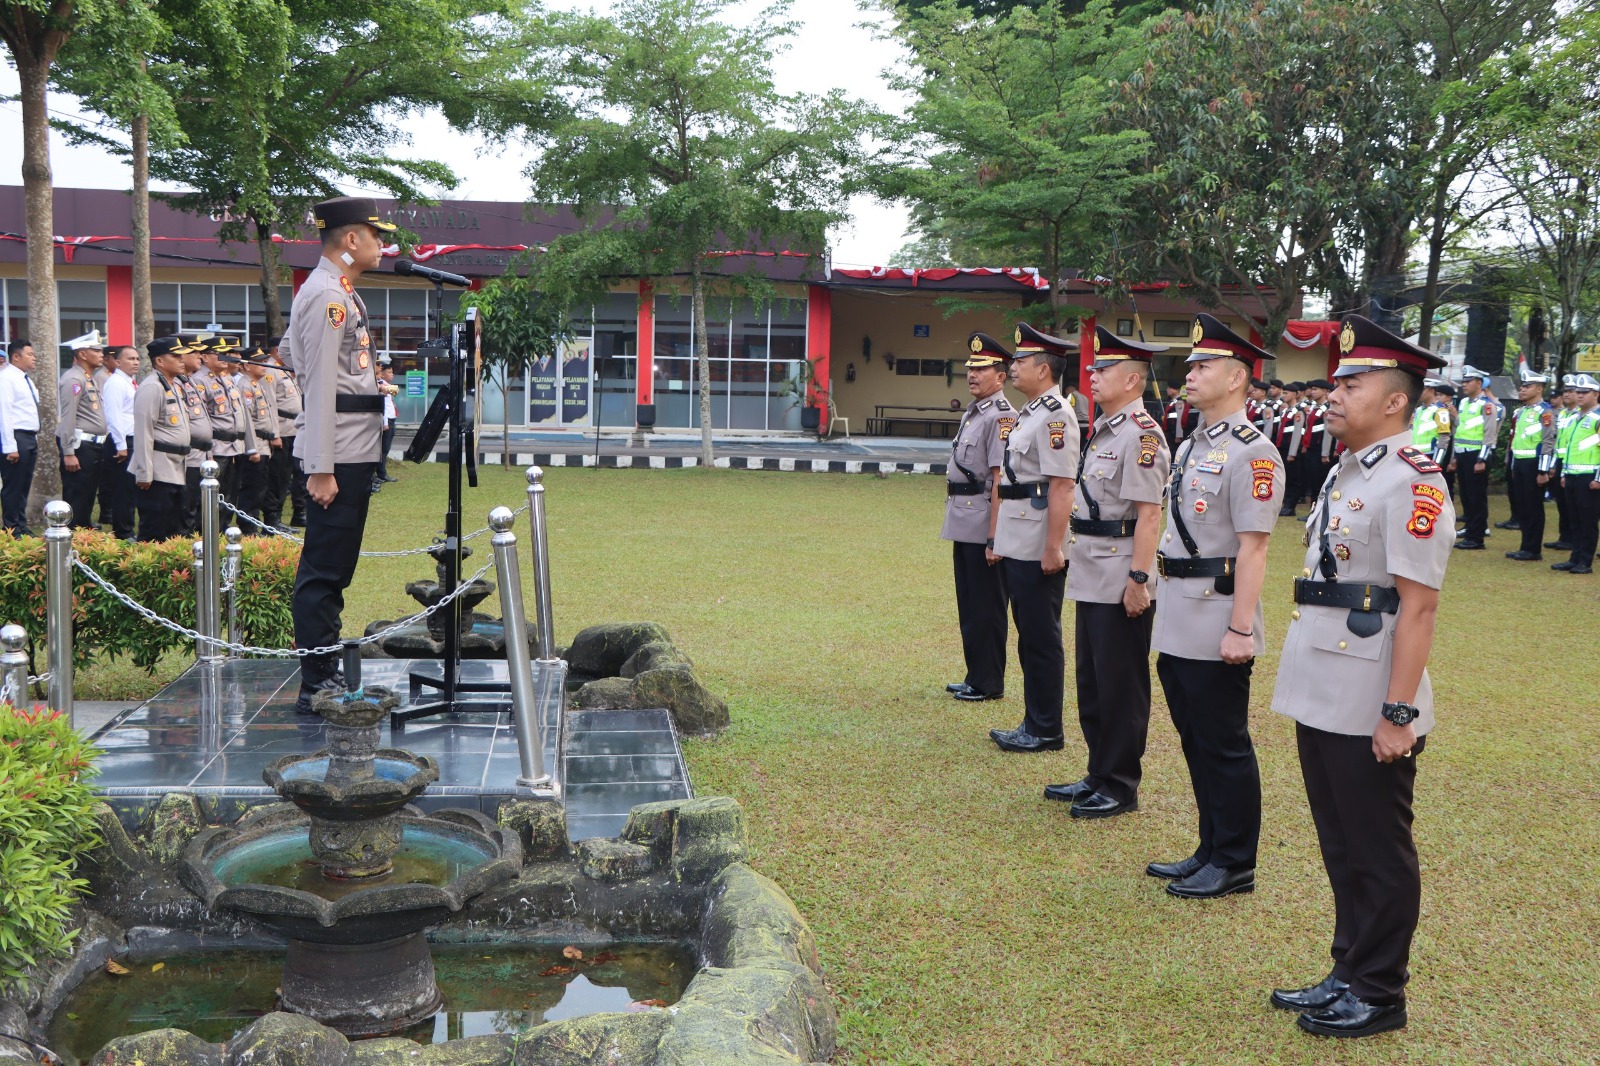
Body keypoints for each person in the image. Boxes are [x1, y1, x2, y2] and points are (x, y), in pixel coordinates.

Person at [1270, 313, 1452, 1039]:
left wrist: (1398, 713)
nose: (1335, 391)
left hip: (1372, 692)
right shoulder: (1349, 469)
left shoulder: (1413, 479)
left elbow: (1419, 608)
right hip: (1322, 681)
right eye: (1336, 379)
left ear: (1396, 400)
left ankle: (1380, 992)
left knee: (1377, 850)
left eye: (1354, 381)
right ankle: (1346, 970)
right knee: (1340, 843)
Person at [1145, 314, 1281, 898]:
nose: (1190, 374)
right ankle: (1209, 846)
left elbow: (1254, 551)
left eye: (1203, 366)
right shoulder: (1193, 444)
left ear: (1237, 378)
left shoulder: (1255, 452)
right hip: (1178, 607)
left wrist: (1241, 629)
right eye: (1191, 364)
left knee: (1224, 741)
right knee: (1194, 738)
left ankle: (1235, 860)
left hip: (1217, 613)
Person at [1045, 326, 1169, 819]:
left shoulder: (1141, 434)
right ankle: (1099, 771)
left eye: (1104, 370)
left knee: (1121, 684)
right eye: (1094, 369)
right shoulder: (1106, 428)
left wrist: (1139, 580)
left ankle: (1120, 784)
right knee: (1093, 680)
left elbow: (1149, 514)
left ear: (1134, 380)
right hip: (1093, 566)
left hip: (1121, 572)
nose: (1093, 376)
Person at [284, 195, 393, 714]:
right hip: (340, 454)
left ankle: (322, 672)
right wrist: (321, 468)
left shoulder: (334, 289)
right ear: (352, 239)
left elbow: (291, 354)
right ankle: (317, 682)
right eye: (375, 236)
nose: (382, 246)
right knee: (325, 570)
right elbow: (322, 381)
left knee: (335, 565)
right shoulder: (330, 295)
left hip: (352, 445)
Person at [987, 322, 1078, 754]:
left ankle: (1045, 729)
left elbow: (1062, 486)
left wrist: (1053, 547)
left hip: (1037, 539)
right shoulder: (1032, 412)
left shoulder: (1057, 415)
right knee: (1029, 634)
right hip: (1018, 534)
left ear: (1043, 369)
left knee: (1041, 636)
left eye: (1020, 360)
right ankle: (1034, 720)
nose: (1013, 366)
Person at [942, 332, 1014, 704]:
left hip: (983, 520)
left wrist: (994, 537)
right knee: (970, 605)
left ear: (1000, 376)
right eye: (970, 368)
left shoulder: (1002, 417)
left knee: (987, 608)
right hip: (963, 520)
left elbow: (1000, 478)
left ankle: (989, 682)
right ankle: (975, 675)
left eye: (981, 369)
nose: (972, 374)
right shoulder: (975, 412)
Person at [130, 337, 194, 542]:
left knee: (172, 530)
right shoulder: (152, 387)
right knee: (154, 530)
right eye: (175, 356)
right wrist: (144, 472)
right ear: (159, 361)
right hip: (157, 470)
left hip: (176, 466)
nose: (182, 359)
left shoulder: (173, 385)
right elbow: (143, 431)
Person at [190, 336, 259, 508]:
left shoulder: (227, 378)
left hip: (234, 446)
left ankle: (223, 529)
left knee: (230, 494)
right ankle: (210, 531)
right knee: (214, 494)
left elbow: (241, 412)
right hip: (217, 447)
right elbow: (202, 418)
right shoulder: (200, 380)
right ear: (205, 357)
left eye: (225, 353)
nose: (224, 356)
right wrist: (208, 448)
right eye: (219, 353)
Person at [56, 330, 110, 529]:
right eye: (96, 350)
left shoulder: (88, 377)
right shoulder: (73, 379)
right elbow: (68, 417)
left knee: (88, 491)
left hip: (93, 445)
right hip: (80, 445)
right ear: (82, 354)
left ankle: (83, 525)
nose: (101, 354)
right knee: (77, 492)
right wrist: (69, 452)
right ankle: (73, 530)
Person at [1504, 368, 1558, 561]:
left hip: (1534, 465)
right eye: (1522, 385)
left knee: (1533, 506)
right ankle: (1525, 546)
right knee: (1522, 505)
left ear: (1539, 388)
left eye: (1527, 386)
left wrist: (1543, 470)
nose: (1522, 389)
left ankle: (1533, 549)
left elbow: (1548, 442)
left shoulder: (1545, 412)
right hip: (1519, 462)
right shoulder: (1521, 412)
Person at [1552, 374, 1600, 575]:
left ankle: (1585, 561)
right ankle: (1575, 557)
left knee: (1588, 521)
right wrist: (1564, 472)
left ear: (1596, 394)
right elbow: (1568, 448)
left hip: (1589, 477)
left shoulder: (1597, 419)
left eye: (1584, 392)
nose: (1579, 396)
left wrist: (1598, 478)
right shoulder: (1574, 418)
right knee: (1575, 520)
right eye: (1577, 392)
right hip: (1571, 474)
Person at [1449, 367, 1498, 549]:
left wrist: (1482, 459)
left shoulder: (1486, 405)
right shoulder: (1463, 404)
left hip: (1476, 455)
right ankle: (1470, 531)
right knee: (1467, 496)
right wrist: (1454, 456)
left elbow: (1489, 435)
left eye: (1468, 381)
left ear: (1479, 383)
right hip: (1462, 454)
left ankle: (1477, 537)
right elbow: (1460, 431)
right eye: (1463, 381)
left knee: (1477, 497)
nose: (1464, 385)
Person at [263, 336, 307, 531]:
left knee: (297, 473)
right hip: (282, 430)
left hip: (294, 429)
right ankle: (273, 519)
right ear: (278, 351)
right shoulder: (270, 371)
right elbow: (270, 404)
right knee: (278, 477)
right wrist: (274, 434)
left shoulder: (286, 371)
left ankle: (299, 513)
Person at [174, 334, 216, 535]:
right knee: (187, 503)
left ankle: (193, 536)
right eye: (195, 352)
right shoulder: (177, 383)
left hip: (201, 452)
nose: (200, 356)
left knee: (197, 502)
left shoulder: (189, 381)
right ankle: (184, 540)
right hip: (188, 455)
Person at [0, 338, 42, 536]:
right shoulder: (6, 378)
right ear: (16, 357)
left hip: (29, 437)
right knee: (13, 485)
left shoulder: (25, 378)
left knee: (24, 484)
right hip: (16, 437)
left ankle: (21, 525)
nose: (34, 358)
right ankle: (11, 528)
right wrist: (10, 446)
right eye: (30, 354)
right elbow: (4, 413)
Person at [237, 343, 280, 523]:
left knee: (261, 487)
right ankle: (248, 526)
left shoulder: (257, 383)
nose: (264, 365)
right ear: (247, 365)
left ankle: (253, 524)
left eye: (265, 361)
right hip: (255, 444)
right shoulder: (245, 385)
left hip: (264, 443)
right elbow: (247, 420)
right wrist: (252, 448)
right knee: (252, 489)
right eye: (259, 362)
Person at [100, 345, 140, 540]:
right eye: (130, 359)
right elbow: (113, 416)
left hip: (133, 440)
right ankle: (123, 532)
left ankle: (128, 528)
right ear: (117, 362)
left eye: (137, 358)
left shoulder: (130, 382)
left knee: (130, 489)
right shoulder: (116, 382)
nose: (135, 362)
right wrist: (121, 445)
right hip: (122, 442)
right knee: (122, 490)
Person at [1547, 377, 1579, 553]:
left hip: (1576, 462)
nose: (1567, 394)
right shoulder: (1563, 414)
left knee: (1573, 504)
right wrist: (1552, 465)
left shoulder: (1581, 415)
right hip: (1561, 461)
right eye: (1565, 391)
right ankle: (1564, 536)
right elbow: (1557, 441)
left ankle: (1574, 539)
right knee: (1562, 501)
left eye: (1571, 391)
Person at [372, 356, 399, 493]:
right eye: (389, 372)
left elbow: (395, 391)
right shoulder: (377, 385)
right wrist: (385, 422)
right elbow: (382, 406)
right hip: (385, 420)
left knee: (385, 449)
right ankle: (380, 474)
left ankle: (381, 473)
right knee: (381, 449)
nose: (391, 374)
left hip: (390, 418)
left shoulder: (382, 384)